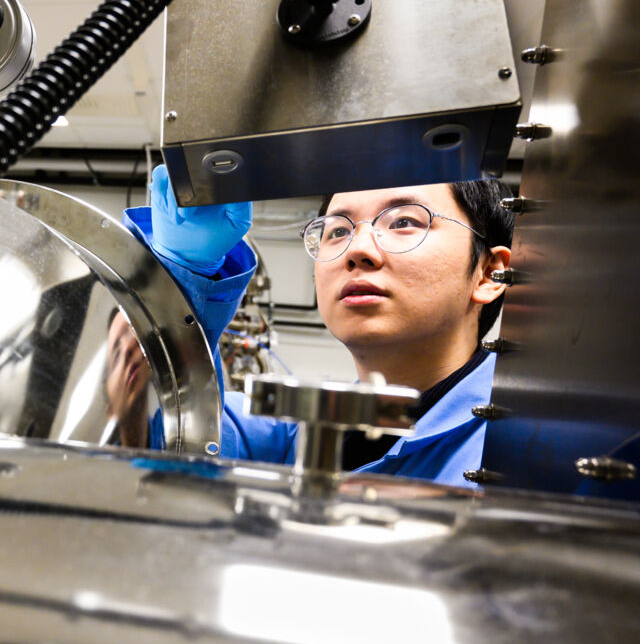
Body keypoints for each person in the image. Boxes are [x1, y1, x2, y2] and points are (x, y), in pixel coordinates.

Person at [124, 166, 514, 487]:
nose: (358, 249)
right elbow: (150, 425)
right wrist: (180, 275)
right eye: (338, 230)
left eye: (404, 221)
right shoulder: (289, 439)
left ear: (489, 274)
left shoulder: (528, 449)